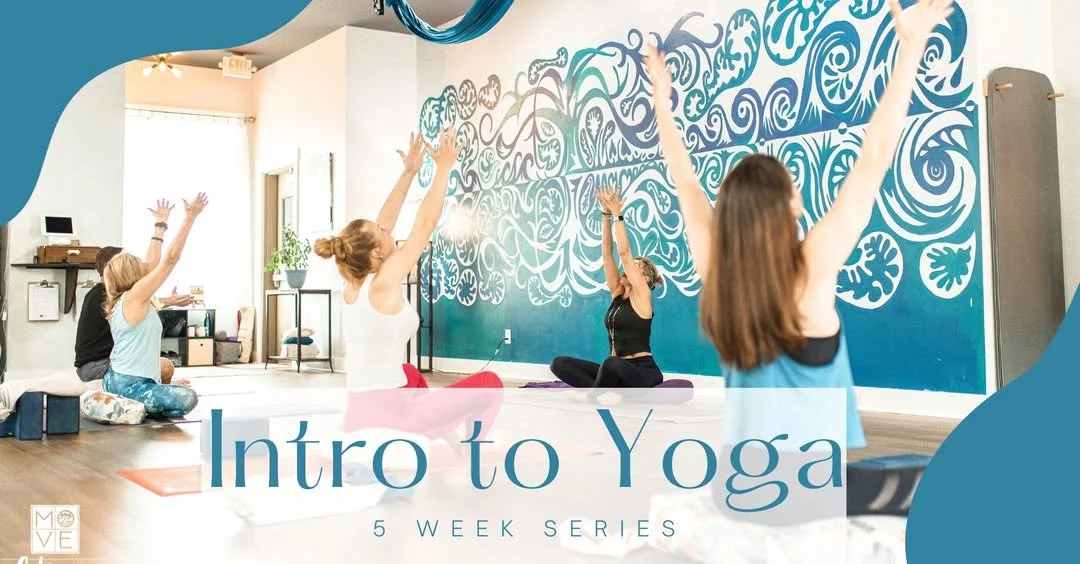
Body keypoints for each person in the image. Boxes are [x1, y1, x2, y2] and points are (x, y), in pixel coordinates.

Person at [643, 0, 954, 451]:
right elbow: (874, 157)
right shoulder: (810, 271)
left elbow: (684, 178)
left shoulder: (717, 274)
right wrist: (910, 47)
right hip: (810, 480)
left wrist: (660, 101)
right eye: (792, 184)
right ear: (788, 206)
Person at [314, 128, 503, 441]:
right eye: (382, 232)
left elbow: (383, 224)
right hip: (392, 418)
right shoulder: (384, 282)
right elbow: (425, 225)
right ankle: (471, 447)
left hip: (358, 414)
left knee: (409, 372)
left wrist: (409, 172)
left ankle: (438, 431)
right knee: (490, 383)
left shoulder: (353, 282)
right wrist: (443, 169)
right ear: (377, 252)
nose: (387, 230)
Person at [100, 193, 209, 418]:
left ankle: (141, 401)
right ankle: (134, 404)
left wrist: (160, 224)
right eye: (138, 264)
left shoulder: (125, 299)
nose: (145, 265)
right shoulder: (134, 297)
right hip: (130, 384)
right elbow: (170, 259)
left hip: (117, 377)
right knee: (188, 397)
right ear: (132, 273)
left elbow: (152, 262)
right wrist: (190, 217)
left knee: (166, 366)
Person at [549, 187, 665, 391]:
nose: (626, 269)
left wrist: (618, 214)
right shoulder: (617, 293)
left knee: (611, 364)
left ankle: (595, 394)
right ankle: (600, 392)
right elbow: (607, 254)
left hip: (642, 371)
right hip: (615, 369)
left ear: (645, 279)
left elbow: (624, 253)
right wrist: (606, 215)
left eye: (634, 268)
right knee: (559, 363)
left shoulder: (643, 296)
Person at [75, 203, 195, 384]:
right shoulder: (107, 293)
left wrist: (161, 224)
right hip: (96, 366)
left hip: (96, 364)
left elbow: (149, 269)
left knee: (161, 365)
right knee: (165, 367)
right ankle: (156, 390)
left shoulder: (109, 292)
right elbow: (160, 263)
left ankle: (156, 387)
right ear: (117, 267)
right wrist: (184, 218)